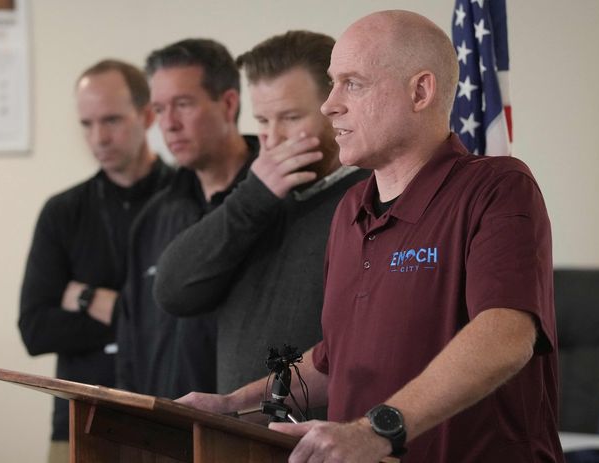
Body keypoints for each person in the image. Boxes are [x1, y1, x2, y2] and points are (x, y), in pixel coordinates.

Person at [176, 10, 565, 463]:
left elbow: (506, 332)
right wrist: (233, 405)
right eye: (331, 83)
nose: (329, 104)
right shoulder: (349, 210)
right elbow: (332, 359)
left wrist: (378, 430)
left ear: (420, 91)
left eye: (352, 84)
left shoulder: (497, 187)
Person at [153, 30, 369, 398]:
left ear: (336, 107)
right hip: (236, 440)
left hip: (318, 445)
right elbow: (173, 291)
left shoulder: (369, 197)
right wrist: (252, 198)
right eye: (263, 120)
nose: (273, 138)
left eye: (289, 117)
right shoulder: (258, 198)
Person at [18, 59, 173, 463]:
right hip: (78, 423)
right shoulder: (62, 211)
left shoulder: (187, 198)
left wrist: (85, 297)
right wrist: (138, 318)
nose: (98, 137)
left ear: (147, 115)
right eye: (87, 124)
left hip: (171, 420)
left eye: (111, 120)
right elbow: (36, 329)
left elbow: (188, 325)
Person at [115, 39, 258, 399]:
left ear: (228, 104)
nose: (169, 125)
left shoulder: (277, 202)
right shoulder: (154, 216)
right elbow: (131, 343)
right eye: (160, 109)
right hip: (159, 434)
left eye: (183, 104)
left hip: (243, 433)